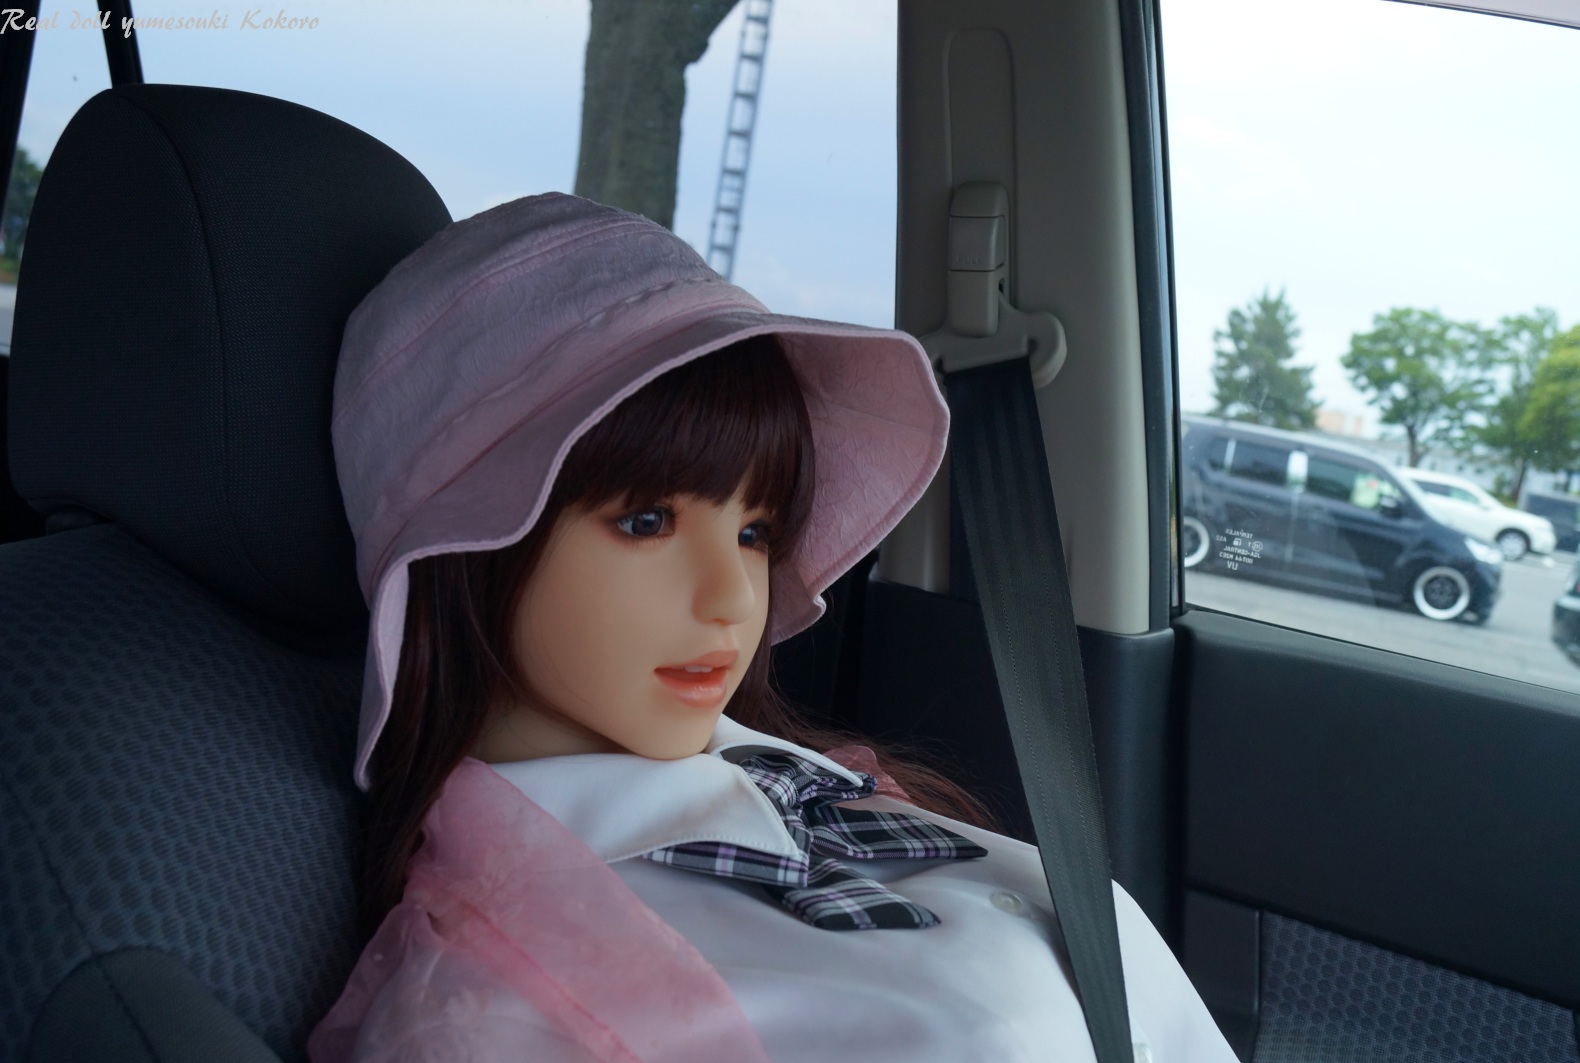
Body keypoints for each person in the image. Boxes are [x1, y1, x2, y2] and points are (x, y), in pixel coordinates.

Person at [308, 192, 1239, 1062]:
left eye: (756, 532)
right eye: (647, 521)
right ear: (466, 548)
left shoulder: (808, 781)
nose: (733, 599)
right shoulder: (491, 1010)